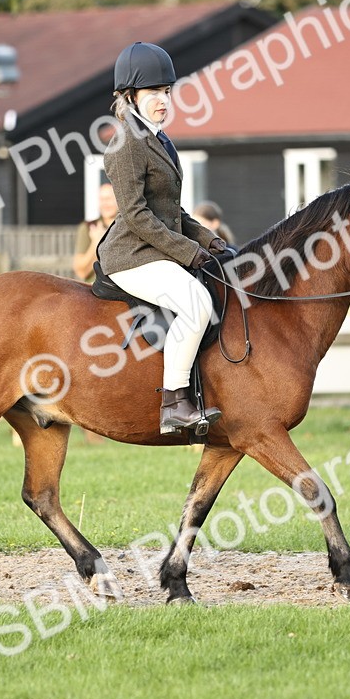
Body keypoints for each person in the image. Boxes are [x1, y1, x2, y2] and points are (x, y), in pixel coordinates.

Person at [97, 42, 227, 435]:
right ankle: (174, 403)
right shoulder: (125, 144)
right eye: (154, 92)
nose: (163, 100)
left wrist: (210, 241)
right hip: (130, 255)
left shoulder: (158, 138)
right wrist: (189, 253)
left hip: (155, 248)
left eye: (167, 91)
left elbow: (172, 211)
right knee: (196, 303)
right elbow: (137, 215)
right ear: (131, 96)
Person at [72, 183, 119, 282]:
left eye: (109, 198)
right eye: (102, 199)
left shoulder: (128, 227)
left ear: (119, 200)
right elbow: (81, 272)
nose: (105, 203)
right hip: (93, 290)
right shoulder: (88, 228)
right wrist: (96, 243)